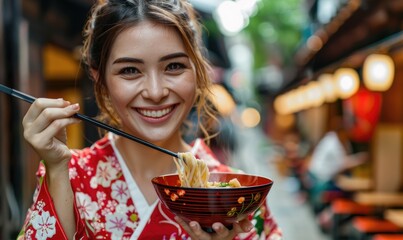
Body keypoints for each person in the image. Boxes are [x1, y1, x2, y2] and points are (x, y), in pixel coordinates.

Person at [18, 1, 282, 239]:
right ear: (99, 78)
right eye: (130, 70)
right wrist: (56, 169)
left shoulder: (240, 199)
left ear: (198, 69)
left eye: (174, 66)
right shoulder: (68, 175)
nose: (155, 92)